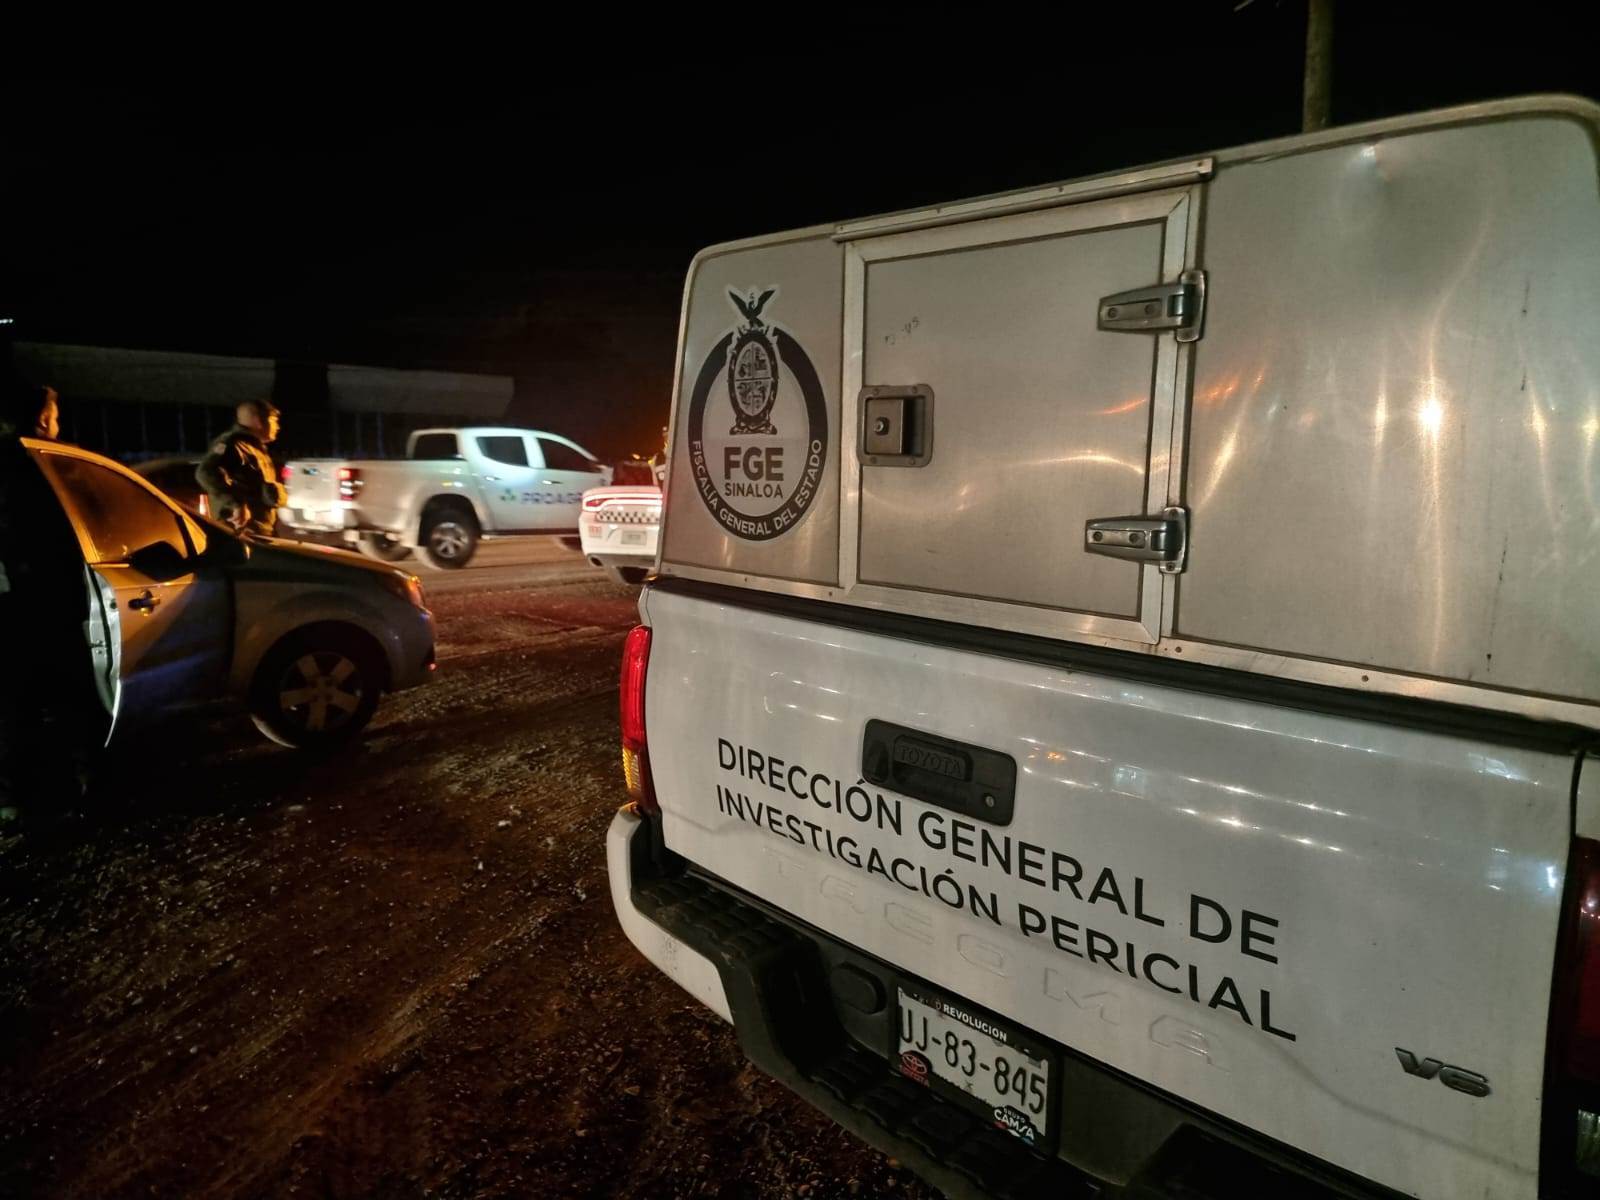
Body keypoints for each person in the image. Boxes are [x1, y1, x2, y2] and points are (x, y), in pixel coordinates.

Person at [197, 399, 285, 536]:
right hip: (241, 531)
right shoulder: (233, 445)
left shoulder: (254, 448)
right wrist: (236, 504)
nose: (277, 427)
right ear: (258, 421)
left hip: (258, 529)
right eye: (273, 420)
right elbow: (205, 472)